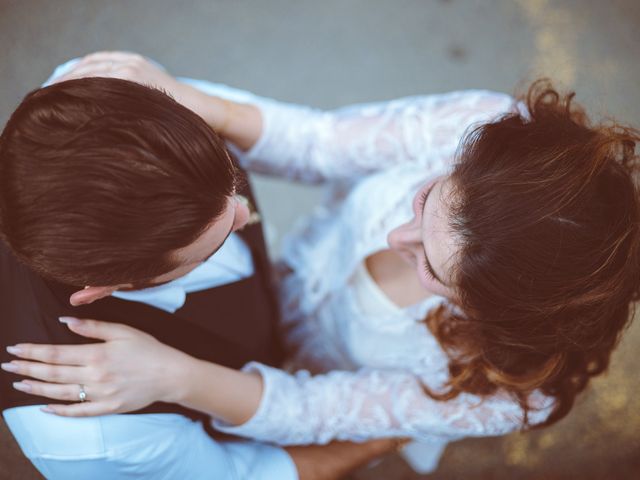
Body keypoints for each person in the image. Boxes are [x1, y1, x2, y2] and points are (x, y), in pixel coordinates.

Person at [5, 52, 640, 474]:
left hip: (326, 381)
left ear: (492, 312)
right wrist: (190, 101)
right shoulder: (480, 127)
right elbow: (323, 142)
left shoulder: (499, 386)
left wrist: (176, 378)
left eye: (435, 271)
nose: (396, 235)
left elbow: (316, 411)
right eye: (425, 199)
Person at [0, 56, 396, 480]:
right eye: (214, 245)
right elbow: (247, 474)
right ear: (100, 290)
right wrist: (387, 435)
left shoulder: (111, 94)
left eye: (232, 185)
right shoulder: (99, 440)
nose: (245, 214)